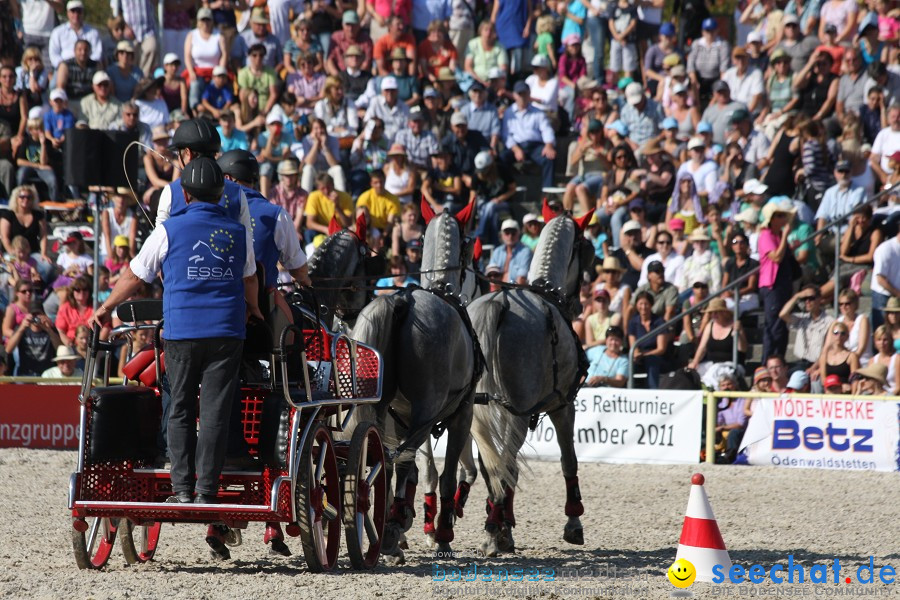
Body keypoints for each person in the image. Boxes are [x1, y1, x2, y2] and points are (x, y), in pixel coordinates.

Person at [90, 158, 259, 565]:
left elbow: (135, 275)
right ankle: (207, 492)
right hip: (225, 331)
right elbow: (250, 277)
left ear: (184, 194)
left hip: (182, 331)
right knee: (216, 410)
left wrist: (108, 306)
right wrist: (254, 309)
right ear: (223, 194)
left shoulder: (168, 229)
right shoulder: (237, 230)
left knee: (180, 405)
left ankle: (182, 488)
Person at [154, 119, 256, 282]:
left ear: (187, 153)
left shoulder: (170, 192)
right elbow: (247, 248)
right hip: (228, 287)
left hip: (184, 289)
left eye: (178, 153)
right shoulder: (238, 192)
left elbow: (158, 251)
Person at [758, 200, 797, 360]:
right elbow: (776, 257)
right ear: (772, 218)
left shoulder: (778, 235)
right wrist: (785, 237)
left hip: (782, 283)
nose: (783, 219)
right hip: (772, 285)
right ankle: (767, 361)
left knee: (781, 326)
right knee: (773, 326)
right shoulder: (766, 235)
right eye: (780, 216)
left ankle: (779, 360)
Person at [500, 82, 556, 188]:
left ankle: (548, 191)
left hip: (535, 146)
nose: (522, 97)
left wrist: (549, 145)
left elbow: (546, 130)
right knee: (502, 158)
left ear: (529, 94)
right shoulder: (508, 112)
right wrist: (516, 149)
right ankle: (508, 188)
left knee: (549, 157)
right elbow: (506, 134)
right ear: (515, 95)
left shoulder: (538, 112)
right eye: (519, 94)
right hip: (517, 146)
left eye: (524, 94)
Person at [779, 284, 834, 380]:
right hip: (799, 363)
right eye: (805, 299)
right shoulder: (802, 318)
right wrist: (797, 296)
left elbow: (829, 349)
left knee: (814, 381)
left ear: (819, 299)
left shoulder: (830, 322)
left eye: (811, 298)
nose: (807, 302)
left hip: (818, 363)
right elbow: (783, 314)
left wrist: (815, 367)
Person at [688, 298, 747, 382]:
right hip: (712, 364)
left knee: (714, 372)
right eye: (711, 313)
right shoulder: (710, 325)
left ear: (724, 312)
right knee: (692, 373)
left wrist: (739, 334)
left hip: (731, 365)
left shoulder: (735, 325)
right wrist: (695, 362)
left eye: (716, 312)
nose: (714, 315)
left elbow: (743, 349)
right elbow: (702, 348)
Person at [628, 291, 668, 388]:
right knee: (627, 362)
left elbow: (661, 349)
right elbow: (633, 345)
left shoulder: (659, 322)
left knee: (651, 361)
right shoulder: (633, 322)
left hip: (656, 356)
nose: (643, 307)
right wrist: (637, 354)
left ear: (651, 305)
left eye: (646, 304)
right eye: (641, 304)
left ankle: (652, 391)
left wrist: (644, 355)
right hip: (640, 357)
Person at [49, 0, 103, 68]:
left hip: (88, 68)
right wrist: (63, 66)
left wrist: (87, 64)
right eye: (73, 11)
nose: (76, 14)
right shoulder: (58, 32)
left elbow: (97, 53)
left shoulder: (93, 33)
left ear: (83, 13)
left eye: (79, 11)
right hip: (64, 68)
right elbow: (54, 54)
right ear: (68, 13)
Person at [721, 232, 760, 314]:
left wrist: (735, 294)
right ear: (732, 246)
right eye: (735, 242)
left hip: (748, 297)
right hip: (731, 296)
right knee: (717, 306)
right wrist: (727, 293)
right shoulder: (730, 262)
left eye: (742, 242)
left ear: (747, 245)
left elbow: (751, 287)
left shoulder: (753, 263)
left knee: (733, 309)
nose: (738, 245)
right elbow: (724, 284)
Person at [817, 321, 859, 393]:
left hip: (846, 392)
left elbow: (855, 380)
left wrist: (853, 397)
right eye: (836, 333)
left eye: (842, 333)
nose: (839, 336)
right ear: (832, 335)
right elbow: (823, 380)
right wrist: (838, 388)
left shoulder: (851, 356)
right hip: (830, 392)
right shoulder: (824, 356)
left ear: (847, 336)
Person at [487, 219, 532, 285]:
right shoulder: (497, 251)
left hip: (517, 291)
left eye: (513, 233)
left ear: (518, 234)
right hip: (498, 291)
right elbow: (491, 276)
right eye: (507, 232)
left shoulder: (526, 251)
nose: (510, 236)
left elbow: (521, 279)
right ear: (501, 235)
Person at [871, 229, 900, 330]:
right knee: (882, 332)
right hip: (882, 296)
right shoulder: (885, 249)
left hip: (897, 295)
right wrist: (898, 294)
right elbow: (880, 279)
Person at [835, 288, 872, 364]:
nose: (844, 306)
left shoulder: (862, 319)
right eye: (841, 304)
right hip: (843, 362)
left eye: (847, 303)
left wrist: (849, 363)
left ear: (855, 304)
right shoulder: (838, 322)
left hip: (862, 361)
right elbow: (830, 346)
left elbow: (861, 348)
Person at [870, 325, 899, 394]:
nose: (882, 343)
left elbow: (898, 387)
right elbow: (872, 386)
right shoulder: (872, 361)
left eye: (885, 340)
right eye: (879, 339)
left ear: (890, 341)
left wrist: (887, 398)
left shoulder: (897, 359)